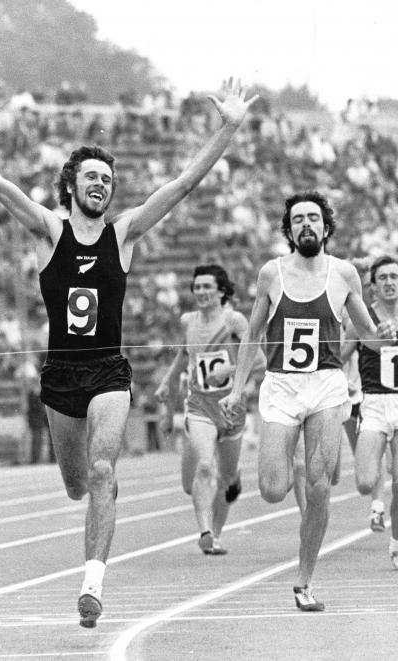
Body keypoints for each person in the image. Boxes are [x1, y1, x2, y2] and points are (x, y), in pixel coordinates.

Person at [0, 78, 258, 627]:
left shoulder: (124, 234)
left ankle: (92, 583)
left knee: (101, 469)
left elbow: (184, 183)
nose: (102, 184)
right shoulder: (50, 230)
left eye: (109, 179)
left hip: (109, 373)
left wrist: (229, 127)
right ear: (71, 184)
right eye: (93, 176)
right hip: (60, 377)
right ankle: (98, 491)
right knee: (77, 484)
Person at [220, 191, 393, 611]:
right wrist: (237, 388)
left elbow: (366, 335)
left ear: (326, 226)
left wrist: (381, 336)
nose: (306, 225)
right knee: (273, 490)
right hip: (281, 387)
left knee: (318, 488)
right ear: (289, 229)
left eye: (313, 218)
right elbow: (253, 335)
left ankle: (304, 582)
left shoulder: (345, 274)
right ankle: (300, 455)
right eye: (298, 220)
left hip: (327, 387)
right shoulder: (271, 274)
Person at [155, 265, 265, 555]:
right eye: (197, 287)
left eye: (207, 287)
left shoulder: (234, 321)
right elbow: (183, 354)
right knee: (203, 469)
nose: (201, 292)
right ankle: (204, 530)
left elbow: (261, 361)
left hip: (231, 405)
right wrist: (167, 384)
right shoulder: (188, 321)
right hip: (200, 403)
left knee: (226, 479)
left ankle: (215, 534)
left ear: (221, 291)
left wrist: (228, 369)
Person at [342, 255, 398, 568]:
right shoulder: (361, 321)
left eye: (395, 276)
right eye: (384, 278)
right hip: (374, 405)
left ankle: (396, 543)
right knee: (365, 481)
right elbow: (335, 360)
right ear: (373, 286)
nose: (390, 282)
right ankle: (376, 500)